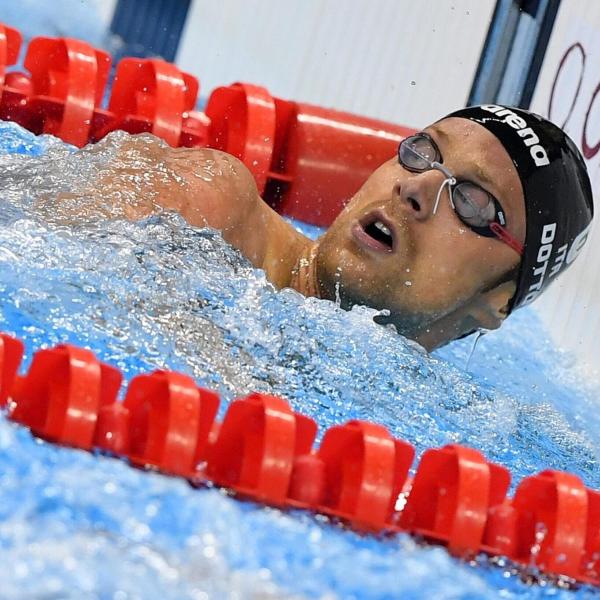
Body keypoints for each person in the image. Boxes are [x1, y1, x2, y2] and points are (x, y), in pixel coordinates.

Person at [75, 104, 594, 350]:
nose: (415, 189)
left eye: (474, 204)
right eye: (423, 153)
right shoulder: (209, 202)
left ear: (498, 301)